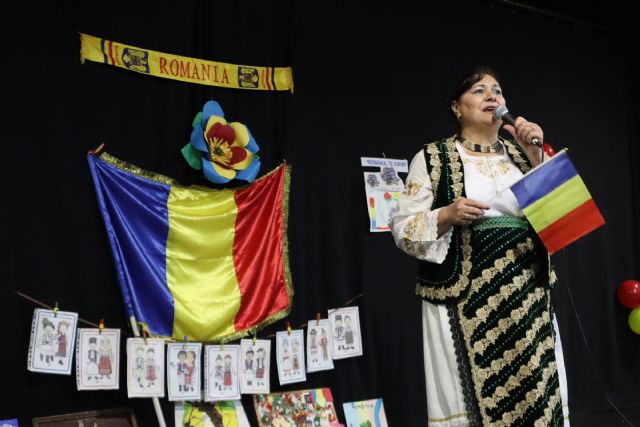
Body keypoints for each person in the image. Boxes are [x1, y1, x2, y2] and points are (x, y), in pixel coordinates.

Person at [389, 66, 569, 427]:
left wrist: (537, 160)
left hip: (527, 296)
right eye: (479, 90)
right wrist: (446, 215)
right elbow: (402, 228)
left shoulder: (524, 155)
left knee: (534, 389)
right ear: (457, 107)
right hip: (468, 296)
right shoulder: (433, 158)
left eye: (498, 91)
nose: (492, 96)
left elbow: (562, 221)